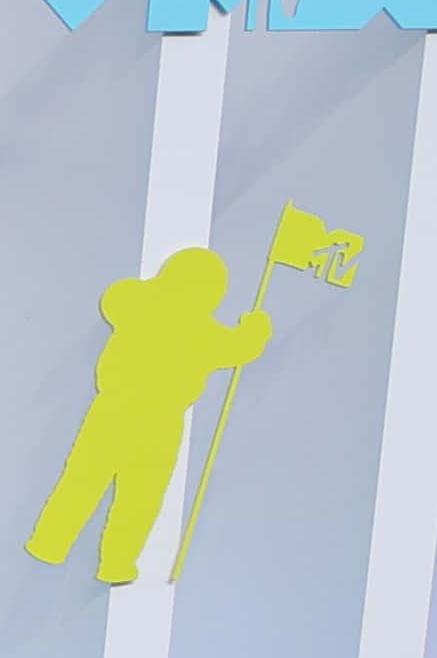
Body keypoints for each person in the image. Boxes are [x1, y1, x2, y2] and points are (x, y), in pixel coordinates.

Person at [27, 247, 266, 587]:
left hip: (114, 409)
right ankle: (116, 563)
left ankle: (50, 542)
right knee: (140, 498)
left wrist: (151, 289)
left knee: (82, 480)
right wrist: (256, 328)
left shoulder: (139, 304)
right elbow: (241, 348)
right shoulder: (204, 332)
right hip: (160, 420)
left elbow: (115, 297)